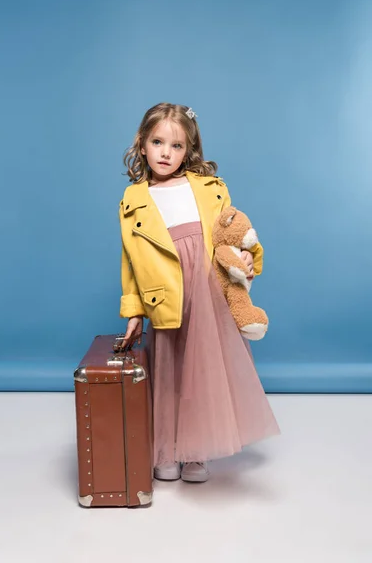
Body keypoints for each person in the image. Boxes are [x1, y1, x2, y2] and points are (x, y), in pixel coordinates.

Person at [119, 103, 280, 483]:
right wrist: (134, 311)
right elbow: (131, 262)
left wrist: (245, 254)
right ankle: (168, 449)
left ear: (188, 151)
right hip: (166, 294)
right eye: (157, 142)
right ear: (142, 144)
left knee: (203, 371)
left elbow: (234, 232)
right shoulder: (134, 200)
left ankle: (198, 451)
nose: (165, 153)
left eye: (176, 146)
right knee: (170, 371)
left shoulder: (209, 189)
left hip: (206, 292)